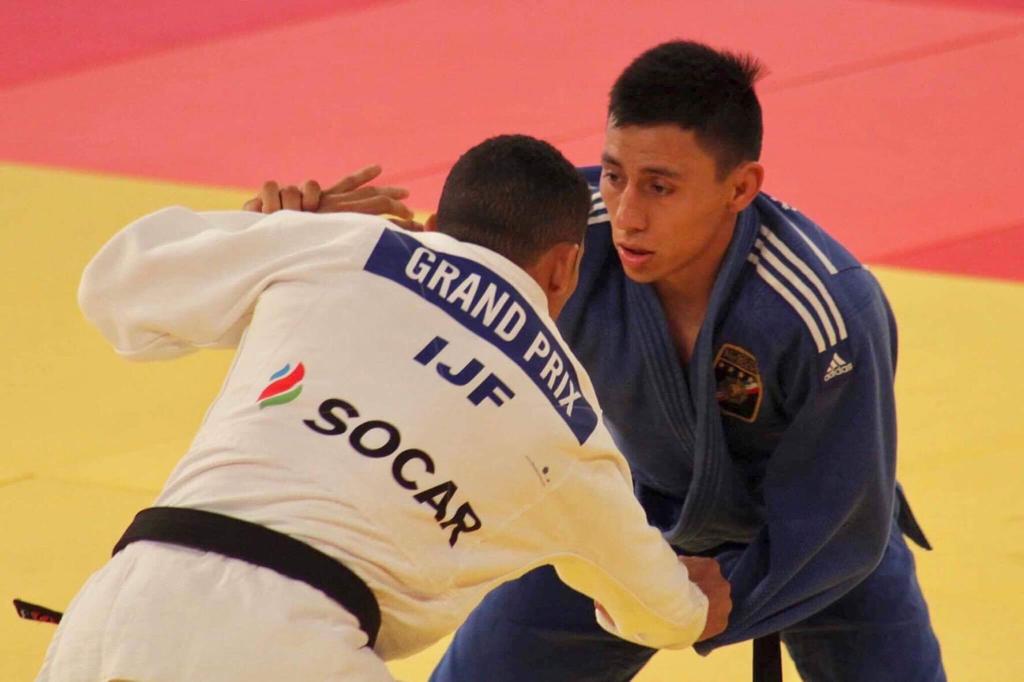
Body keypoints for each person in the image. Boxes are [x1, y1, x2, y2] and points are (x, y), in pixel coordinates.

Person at [36, 134, 731, 682]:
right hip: (297, 649)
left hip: (120, 610)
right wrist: (692, 598)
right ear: (564, 267)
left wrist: (260, 228)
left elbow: (114, 290)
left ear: (435, 224)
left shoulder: (342, 243)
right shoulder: (569, 424)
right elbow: (663, 613)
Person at [429, 41, 946, 681]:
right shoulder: (565, 230)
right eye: (614, 174)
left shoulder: (824, 311)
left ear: (740, 188)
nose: (627, 214)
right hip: (623, 512)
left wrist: (711, 599)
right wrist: (320, 229)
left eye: (660, 187)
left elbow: (841, 514)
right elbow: (444, 280)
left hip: (817, 536)